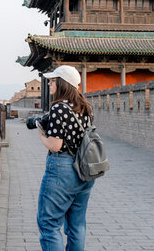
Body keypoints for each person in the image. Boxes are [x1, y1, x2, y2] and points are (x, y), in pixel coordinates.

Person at [36, 65, 95, 251]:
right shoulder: (85, 107)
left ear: (62, 83)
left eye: (53, 80)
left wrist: (41, 135)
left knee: (49, 223)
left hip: (62, 168)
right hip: (84, 170)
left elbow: (56, 145)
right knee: (77, 226)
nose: (49, 83)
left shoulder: (58, 108)